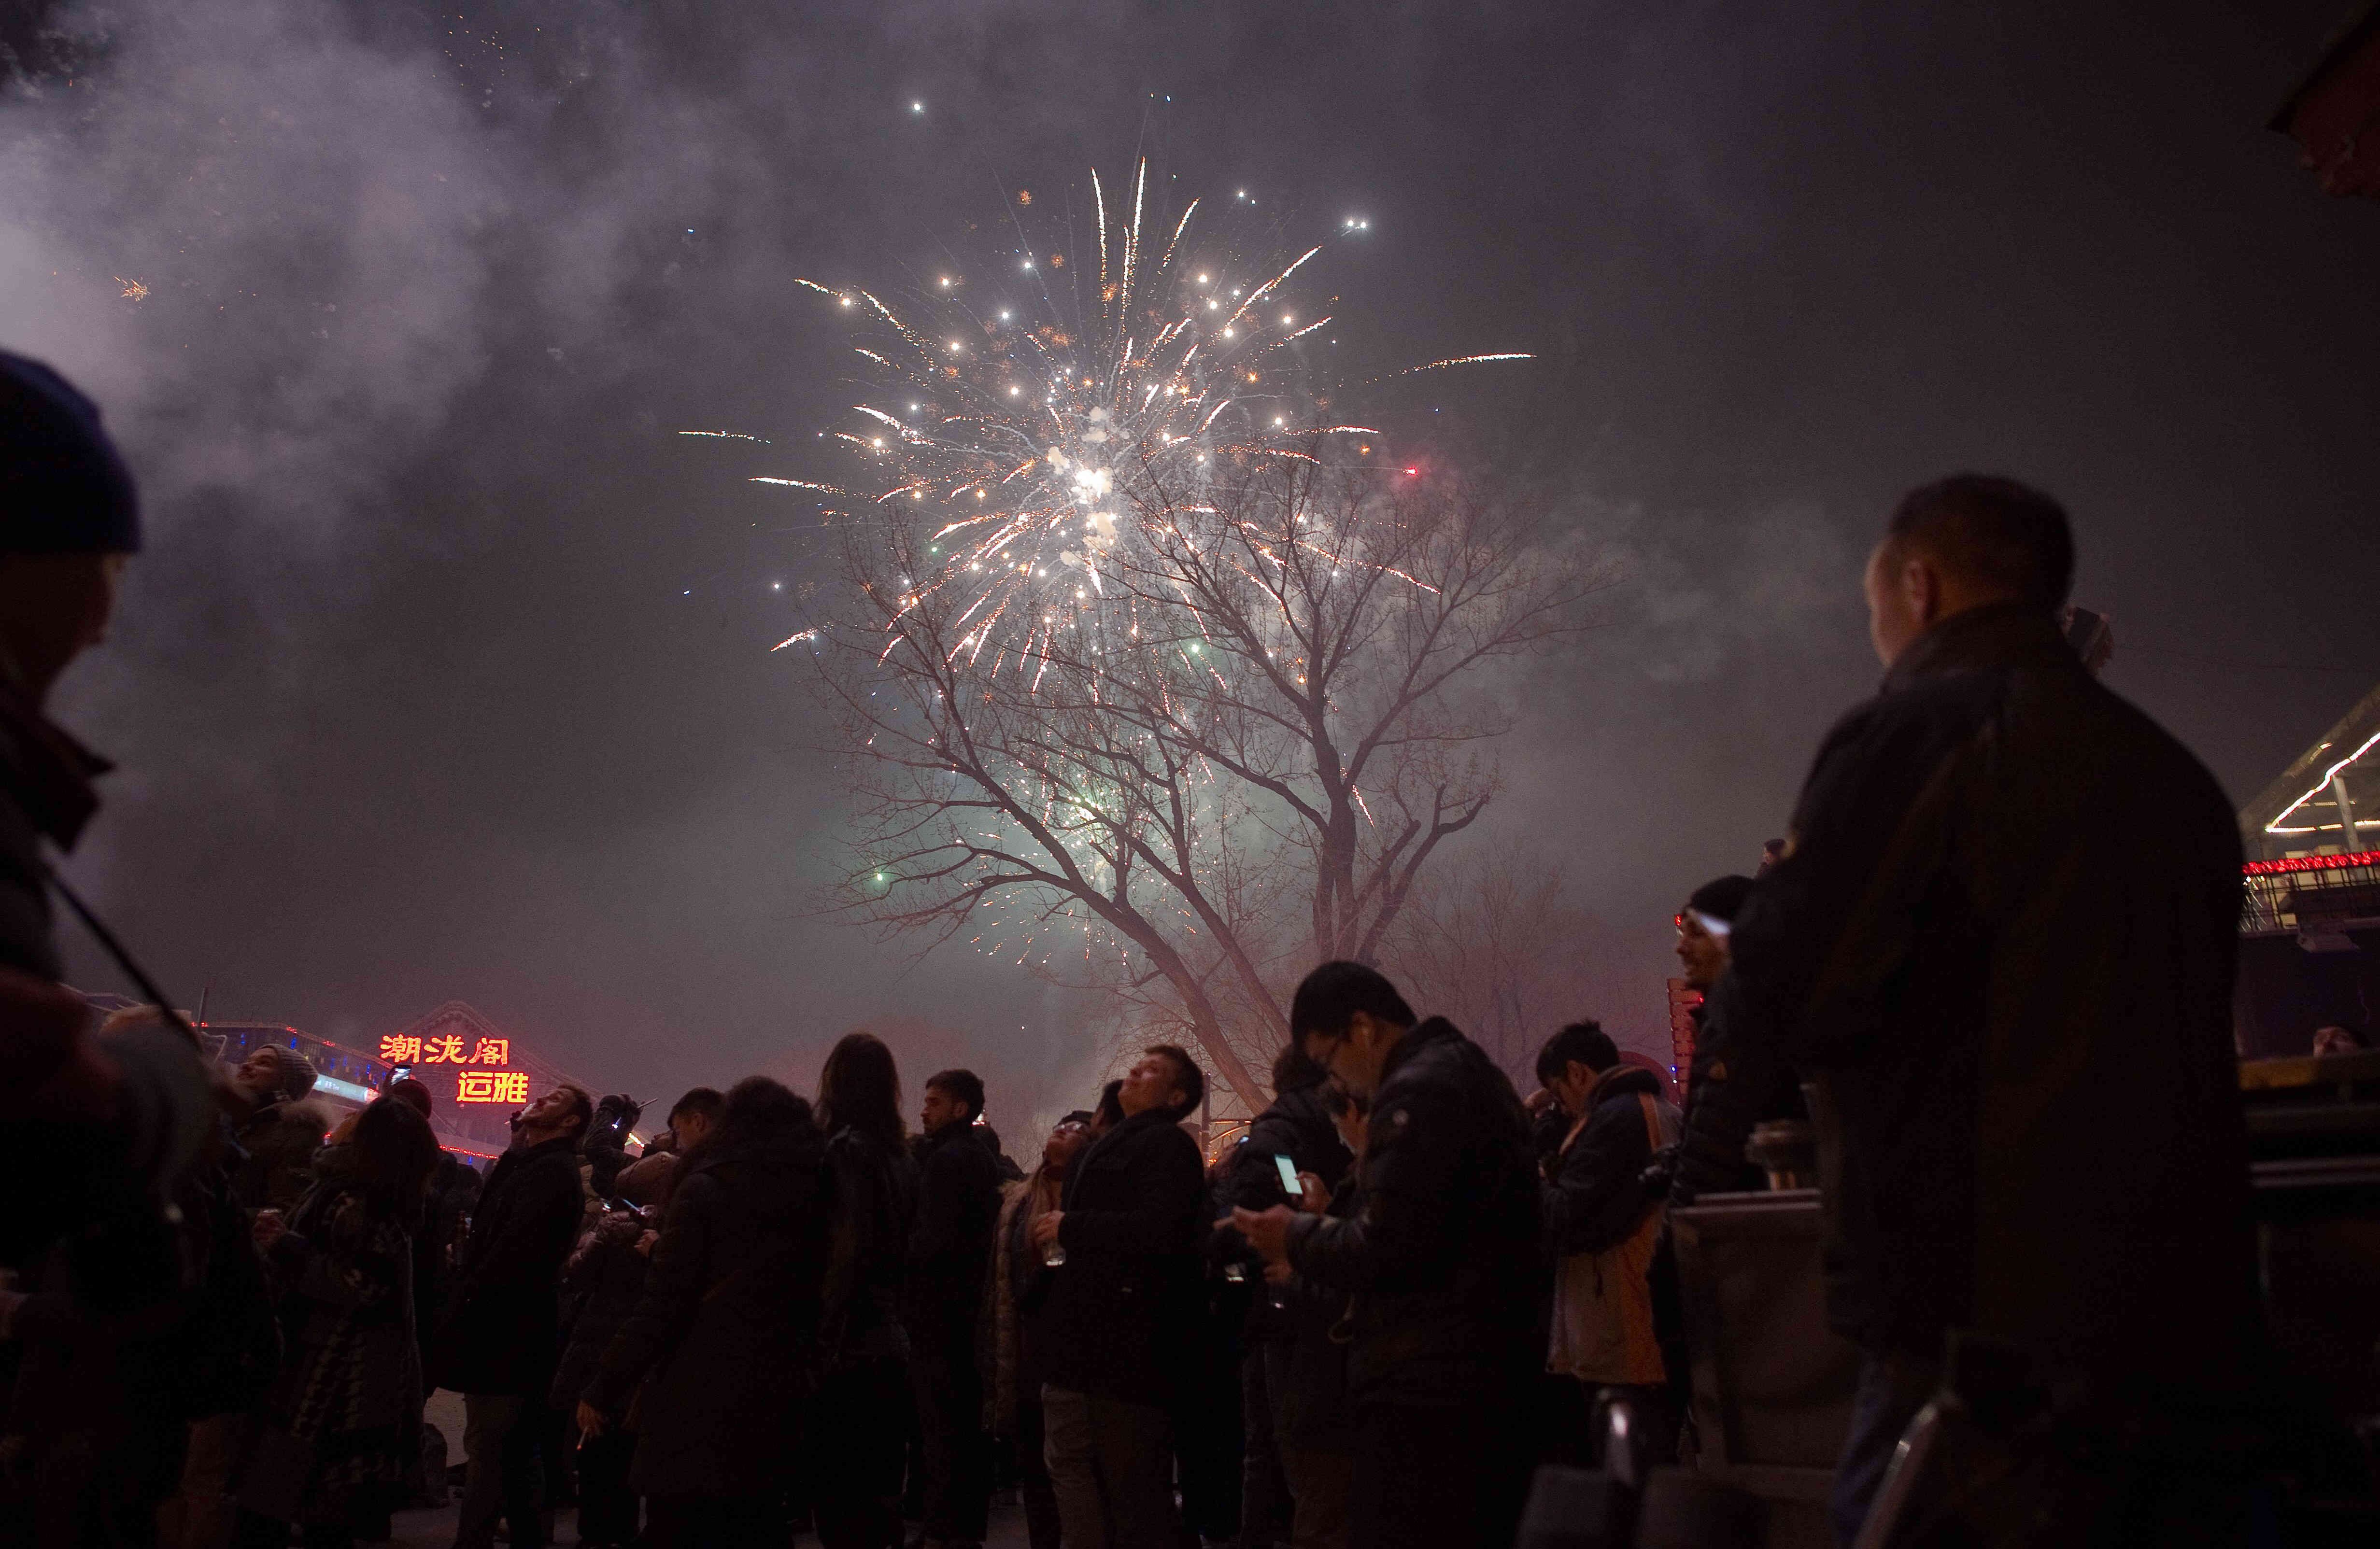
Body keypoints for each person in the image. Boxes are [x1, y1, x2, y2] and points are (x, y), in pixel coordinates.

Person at [1703, 475, 2267, 1545]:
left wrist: (1762, 926)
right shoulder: (2172, 775)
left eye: (1874, 600)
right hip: (2188, 1314)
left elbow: (1791, 991)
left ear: (1917, 586)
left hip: (1977, 1333)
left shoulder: (1918, 736)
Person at [1233, 963, 1540, 1549]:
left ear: (1363, 1029)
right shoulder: (1463, 1072)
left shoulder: (1412, 1091)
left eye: (1330, 1061)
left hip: (1433, 1385)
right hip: (1478, 1368)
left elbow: (1389, 1241)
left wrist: (1293, 1227)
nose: (1340, 1085)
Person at [578, 1075, 829, 1549]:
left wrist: (604, 1382)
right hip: (779, 1389)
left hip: (700, 1389)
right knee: (756, 1520)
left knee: (682, 1519)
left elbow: (664, 1302)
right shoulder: (813, 1194)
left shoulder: (707, 1188)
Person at [232, 1097, 440, 1549]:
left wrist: (287, 1245)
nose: (348, 1119)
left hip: (336, 1373)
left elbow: (363, 1286)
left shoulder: (361, 1202)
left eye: (360, 1119)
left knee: (297, 1495)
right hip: (323, 1359)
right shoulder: (345, 1189)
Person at [1030, 1046, 1208, 1549]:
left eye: (1152, 1070)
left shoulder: (1167, 1146)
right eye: (1137, 1064)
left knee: (1134, 1491)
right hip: (1086, 1345)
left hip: (1127, 1349)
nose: (1134, 1071)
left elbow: (1160, 1230)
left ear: (1174, 1097)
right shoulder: (1112, 1144)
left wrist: (1072, 1226)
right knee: (1078, 1473)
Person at [550, 1089, 711, 1549]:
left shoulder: (619, 1228)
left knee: (598, 1453)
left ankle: (598, 1532)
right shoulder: (684, 1229)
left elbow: (576, 1277)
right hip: (646, 1364)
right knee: (628, 1454)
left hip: (603, 1349)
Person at [434, 1083, 591, 1549]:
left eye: (556, 1100)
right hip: (507, 1324)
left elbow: (515, 1253)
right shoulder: (530, 1163)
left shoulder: (553, 1173)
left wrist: (471, 1290)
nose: (541, 1099)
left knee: (493, 1448)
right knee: (513, 1449)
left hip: (508, 1329)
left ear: (571, 1123)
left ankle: (474, 1539)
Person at [1212, 1044, 1352, 1549]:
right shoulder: (1290, 1139)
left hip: (1289, 1304)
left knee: (1280, 1448)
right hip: (1285, 1307)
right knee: (1286, 1449)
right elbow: (1256, 1216)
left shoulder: (1292, 1134)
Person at [1533, 1021, 1680, 1465]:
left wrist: (1533, 1176)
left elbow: (1565, 1216)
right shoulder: (1651, 1111)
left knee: (1632, 1472)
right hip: (1639, 1322)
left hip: (1627, 1326)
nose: (1564, 1109)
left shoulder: (1617, 1121)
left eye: (1560, 1094)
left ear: (1578, 1073)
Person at [811, 1033, 919, 1549]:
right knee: (877, 1498)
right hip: (889, 1337)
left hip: (849, 1345)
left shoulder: (845, 1150)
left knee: (841, 1500)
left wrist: (819, 1341)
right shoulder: (900, 1155)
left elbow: (845, 1254)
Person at [981, 1112, 1092, 1549]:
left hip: (1068, 1350)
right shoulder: (1020, 1199)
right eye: (1058, 1127)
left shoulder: (1087, 1200)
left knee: (1071, 1467)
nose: (1059, 1133)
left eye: (1074, 1131)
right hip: (1026, 1347)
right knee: (1037, 1468)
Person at [904, 1069, 1001, 1549]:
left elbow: (932, 1241)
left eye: (934, 1101)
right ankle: (962, 1528)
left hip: (940, 1314)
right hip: (964, 1312)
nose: (924, 1110)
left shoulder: (948, 1160)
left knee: (942, 1430)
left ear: (960, 1109)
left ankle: (945, 1530)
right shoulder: (978, 1157)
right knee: (962, 1430)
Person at [230, 1042, 333, 1213]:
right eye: (249, 1060)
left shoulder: (299, 1132)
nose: (247, 1066)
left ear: (286, 1080)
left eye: (264, 1063)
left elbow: (283, 1209)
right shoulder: (225, 1117)